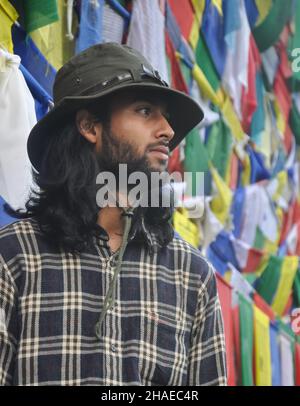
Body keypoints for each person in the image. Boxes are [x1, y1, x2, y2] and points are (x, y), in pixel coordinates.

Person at [0, 43, 227, 386]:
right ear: (90, 126)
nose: (167, 130)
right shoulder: (15, 255)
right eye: (144, 110)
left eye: (165, 116)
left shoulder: (191, 275)